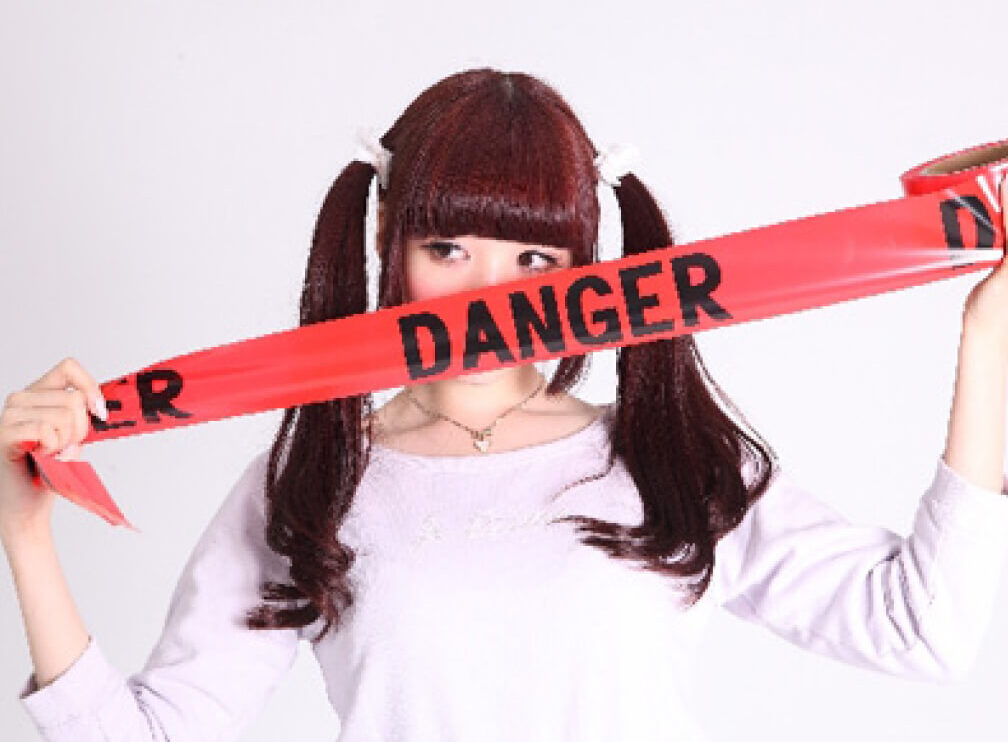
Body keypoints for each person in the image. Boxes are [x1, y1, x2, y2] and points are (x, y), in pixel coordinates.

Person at [3, 67, 1008, 742]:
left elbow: (920, 629)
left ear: (588, 271)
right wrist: (26, 533)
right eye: (449, 248)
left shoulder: (668, 460)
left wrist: (990, 337)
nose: (488, 297)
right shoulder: (314, 481)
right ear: (390, 243)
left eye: (533, 259)